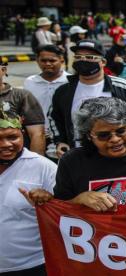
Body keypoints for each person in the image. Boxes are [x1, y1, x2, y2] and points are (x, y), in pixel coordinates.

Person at [48, 39, 126, 158]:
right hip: (81, 156)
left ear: (103, 62)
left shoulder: (123, 87)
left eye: (90, 57)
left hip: (119, 154)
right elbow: (54, 118)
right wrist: (60, 141)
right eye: (78, 57)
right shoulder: (64, 91)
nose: (83, 60)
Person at [0, 107, 56, 275]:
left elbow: (67, 211)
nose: (6, 145)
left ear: (22, 134)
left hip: (32, 266)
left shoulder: (44, 167)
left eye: (12, 137)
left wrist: (50, 201)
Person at [24, 45, 70, 159]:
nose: (48, 64)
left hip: (64, 137)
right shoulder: (30, 82)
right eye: (43, 60)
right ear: (37, 61)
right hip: (36, 136)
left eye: (52, 60)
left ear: (62, 60)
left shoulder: (71, 81)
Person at [0, 58, 46, 156]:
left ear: (3, 70)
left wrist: (33, 165)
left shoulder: (21, 96)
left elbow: (37, 134)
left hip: (14, 160)